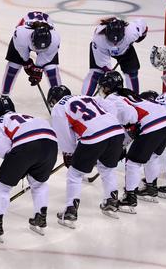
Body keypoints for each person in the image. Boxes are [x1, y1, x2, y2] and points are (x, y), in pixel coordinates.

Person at [95, 72, 166, 213]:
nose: (102, 90)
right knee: (152, 157)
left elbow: (131, 117)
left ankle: (130, 199)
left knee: (132, 162)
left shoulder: (112, 98)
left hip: (152, 125)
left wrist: (122, 142)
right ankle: (151, 188)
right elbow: (131, 125)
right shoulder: (126, 94)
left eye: (103, 87)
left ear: (107, 87)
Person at [47, 85, 125, 223]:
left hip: (94, 135)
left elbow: (64, 134)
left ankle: (70, 211)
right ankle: (111, 202)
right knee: (107, 169)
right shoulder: (86, 96)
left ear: (54, 99)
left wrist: (69, 153)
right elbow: (112, 107)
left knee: (75, 174)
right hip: (116, 131)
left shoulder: (59, 107)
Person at [0, 96, 58, 238]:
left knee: (1, 186)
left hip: (27, 146)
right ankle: (40, 217)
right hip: (51, 145)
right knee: (39, 184)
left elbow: (4, 151)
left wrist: (18, 168)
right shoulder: (28, 116)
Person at [81, 17, 148, 96]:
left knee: (132, 72)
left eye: (117, 41)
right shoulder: (99, 38)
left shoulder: (131, 31)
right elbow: (103, 64)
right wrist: (111, 74)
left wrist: (139, 39)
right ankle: (84, 98)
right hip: (102, 50)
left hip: (125, 49)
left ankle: (134, 98)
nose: (115, 44)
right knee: (96, 73)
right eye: (112, 41)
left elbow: (144, 28)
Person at [1, 11, 60, 96]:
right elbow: (24, 57)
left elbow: (43, 62)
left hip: (41, 43)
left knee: (51, 69)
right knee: (13, 66)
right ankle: (4, 95)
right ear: (31, 39)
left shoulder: (55, 39)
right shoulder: (21, 34)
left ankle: (59, 98)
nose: (38, 50)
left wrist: (37, 70)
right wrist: (27, 63)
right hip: (21, 42)